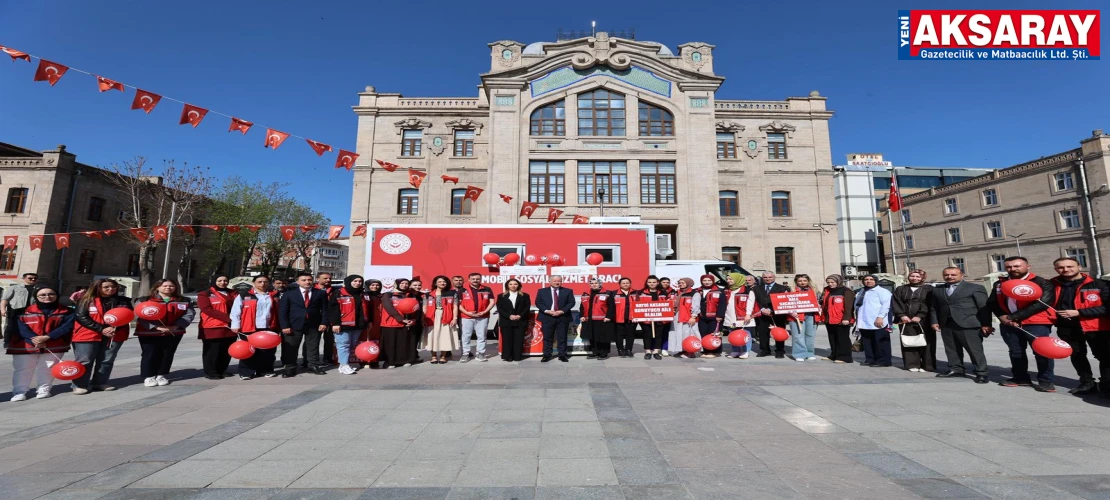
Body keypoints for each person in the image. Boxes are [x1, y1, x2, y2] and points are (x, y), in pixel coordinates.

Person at [989, 257, 1056, 391]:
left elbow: (1043, 303)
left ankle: (1046, 381)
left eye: (1016, 266)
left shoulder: (1041, 282)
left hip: (1036, 322)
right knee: (1016, 351)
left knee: (1042, 351)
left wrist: (1014, 317)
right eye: (1009, 267)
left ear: (1028, 266)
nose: (1013, 269)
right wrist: (1002, 317)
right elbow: (993, 302)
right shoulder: (1000, 283)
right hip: (1009, 323)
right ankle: (1020, 378)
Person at [1050, 257, 1110, 396]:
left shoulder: (1100, 284)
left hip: (1097, 327)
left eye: (1070, 266)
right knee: (1077, 355)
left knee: (1105, 356)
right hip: (1067, 326)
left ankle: (1106, 383)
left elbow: (1107, 308)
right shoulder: (1051, 285)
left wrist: (1079, 312)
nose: (1065, 269)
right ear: (1056, 269)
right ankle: (1087, 382)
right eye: (1061, 267)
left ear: (1080, 267)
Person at [9, 286, 74, 400]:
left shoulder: (67, 312)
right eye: (43, 295)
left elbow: (66, 327)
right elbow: (19, 328)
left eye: (51, 294)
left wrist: (48, 337)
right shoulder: (22, 312)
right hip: (26, 346)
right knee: (23, 369)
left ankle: (44, 389)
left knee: (48, 368)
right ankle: (19, 391)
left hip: (54, 345)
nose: (47, 297)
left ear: (57, 296)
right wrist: (34, 339)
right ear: (36, 297)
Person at [929, 267, 993, 383]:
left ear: (962, 275)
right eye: (946, 275)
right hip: (947, 324)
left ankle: (981, 373)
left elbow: (984, 308)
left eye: (953, 274)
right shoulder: (938, 289)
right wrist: (934, 321)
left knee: (974, 350)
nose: (949, 277)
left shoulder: (975, 288)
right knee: (951, 349)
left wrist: (986, 324)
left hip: (968, 323)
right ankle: (956, 369)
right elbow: (934, 307)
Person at [72, 279, 132, 393]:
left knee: (106, 360)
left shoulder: (123, 301)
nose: (111, 289)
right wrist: (102, 329)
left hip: (114, 334)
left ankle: (100, 383)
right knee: (85, 360)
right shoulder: (86, 300)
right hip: (88, 334)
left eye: (113, 287)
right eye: (106, 287)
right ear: (97, 288)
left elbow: (127, 316)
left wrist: (114, 328)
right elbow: (81, 316)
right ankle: (79, 385)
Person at [134, 279, 195, 387]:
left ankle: (161, 375)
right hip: (149, 333)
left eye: (171, 286)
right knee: (149, 354)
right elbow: (139, 315)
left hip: (173, 332)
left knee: (167, 353)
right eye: (165, 285)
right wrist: (155, 327)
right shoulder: (144, 300)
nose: (168, 287)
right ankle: (149, 376)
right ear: (157, 287)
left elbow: (189, 314)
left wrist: (176, 326)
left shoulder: (184, 300)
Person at [279, 272, 329, 376]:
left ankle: (313, 366)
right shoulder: (289, 294)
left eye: (309, 280)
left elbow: (325, 309)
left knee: (313, 346)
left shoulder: (320, 293)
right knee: (291, 347)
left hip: (314, 324)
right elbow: (283, 311)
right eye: (304, 280)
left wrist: (324, 322)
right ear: (298, 282)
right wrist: (285, 326)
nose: (307, 282)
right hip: (293, 325)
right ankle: (290, 368)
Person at [231, 275, 279, 380]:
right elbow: (236, 311)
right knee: (248, 350)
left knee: (268, 351)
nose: (263, 284)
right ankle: (246, 372)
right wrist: (235, 324)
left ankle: (266, 370)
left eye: (265, 281)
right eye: (260, 281)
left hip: (268, 327)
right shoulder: (244, 295)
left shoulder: (274, 295)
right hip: (249, 327)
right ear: (254, 283)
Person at [328, 274, 373, 374]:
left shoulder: (364, 294)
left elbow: (368, 309)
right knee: (343, 345)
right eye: (355, 281)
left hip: (358, 324)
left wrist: (369, 321)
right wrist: (335, 323)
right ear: (349, 282)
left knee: (352, 345)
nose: (357, 283)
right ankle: (343, 365)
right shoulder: (338, 293)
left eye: (360, 281)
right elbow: (332, 309)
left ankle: (346, 363)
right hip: (343, 324)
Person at [892, 270, 935, 373]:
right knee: (909, 341)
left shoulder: (929, 289)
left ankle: (927, 365)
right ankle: (912, 364)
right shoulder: (901, 289)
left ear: (923, 278)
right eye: (912, 276)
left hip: (924, 319)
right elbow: (896, 302)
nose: (915, 278)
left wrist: (920, 315)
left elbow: (930, 303)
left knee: (927, 342)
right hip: (906, 319)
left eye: (918, 276)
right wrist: (902, 315)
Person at [196, 276, 237, 380]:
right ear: (214, 281)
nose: (223, 282)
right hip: (213, 326)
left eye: (225, 280)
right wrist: (228, 318)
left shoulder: (234, 293)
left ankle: (222, 370)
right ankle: (211, 372)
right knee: (212, 351)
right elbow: (206, 309)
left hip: (230, 326)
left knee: (226, 350)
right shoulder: (205, 294)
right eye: (219, 280)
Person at [854, 274, 893, 368]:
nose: (868, 281)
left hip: (879, 320)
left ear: (876, 281)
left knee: (880, 342)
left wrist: (880, 317)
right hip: (865, 320)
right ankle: (870, 359)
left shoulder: (882, 291)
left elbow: (886, 305)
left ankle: (883, 361)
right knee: (867, 342)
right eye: (866, 279)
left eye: (871, 279)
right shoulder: (861, 291)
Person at [379, 278, 417, 368]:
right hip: (391, 323)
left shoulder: (410, 295)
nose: (404, 285)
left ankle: (405, 360)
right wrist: (400, 319)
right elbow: (389, 308)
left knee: (404, 343)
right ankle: (390, 362)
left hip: (406, 323)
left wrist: (413, 320)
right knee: (390, 344)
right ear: (397, 284)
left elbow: (415, 308)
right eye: (402, 283)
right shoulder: (388, 295)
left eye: (406, 283)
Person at [536, 275, 574, 362]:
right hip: (547, 317)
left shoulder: (568, 291)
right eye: (555, 281)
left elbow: (571, 302)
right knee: (547, 337)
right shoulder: (542, 291)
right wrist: (547, 311)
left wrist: (562, 311)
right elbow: (538, 302)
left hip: (562, 317)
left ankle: (562, 355)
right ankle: (547, 355)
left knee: (562, 337)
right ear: (550, 282)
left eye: (559, 281)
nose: (557, 282)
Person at [457, 273, 494, 362]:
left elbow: (492, 302)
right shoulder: (462, 290)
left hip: (483, 316)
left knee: (482, 336)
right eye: (473, 279)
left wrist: (485, 311)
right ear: (469, 280)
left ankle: (480, 354)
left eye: (477, 279)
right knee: (466, 336)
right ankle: (465, 354)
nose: (475, 280)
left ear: (480, 279)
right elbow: (458, 304)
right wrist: (468, 313)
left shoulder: (487, 289)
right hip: (467, 317)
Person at [423, 276, 460, 364]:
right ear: (435, 283)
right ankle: (433, 356)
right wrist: (422, 319)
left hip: (447, 316)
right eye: (439, 282)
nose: (442, 283)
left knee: (445, 335)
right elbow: (424, 307)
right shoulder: (428, 294)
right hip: (432, 316)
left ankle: (443, 356)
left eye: (444, 282)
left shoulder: (452, 293)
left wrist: (454, 318)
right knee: (433, 335)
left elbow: (455, 306)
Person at [820, 275, 855, 363]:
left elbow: (849, 306)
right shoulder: (827, 290)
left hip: (841, 319)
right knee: (832, 338)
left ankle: (844, 357)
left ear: (838, 282)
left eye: (832, 282)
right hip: (829, 318)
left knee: (842, 338)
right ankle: (834, 354)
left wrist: (846, 318)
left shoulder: (846, 291)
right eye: (828, 282)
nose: (830, 284)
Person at [754, 271, 789, 358]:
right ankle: (764, 350)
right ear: (762, 278)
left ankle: (780, 351)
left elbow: (783, 301)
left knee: (779, 333)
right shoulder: (757, 288)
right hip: (762, 314)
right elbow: (755, 301)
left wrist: (771, 310)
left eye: (770, 277)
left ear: (774, 277)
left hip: (777, 315)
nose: (768, 279)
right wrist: (762, 309)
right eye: (765, 277)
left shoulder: (782, 288)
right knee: (763, 333)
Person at [636, 276, 671, 360]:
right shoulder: (641, 292)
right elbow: (637, 304)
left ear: (657, 283)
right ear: (647, 283)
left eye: (654, 282)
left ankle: (656, 351)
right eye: (650, 282)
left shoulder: (663, 292)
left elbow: (668, 304)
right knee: (647, 335)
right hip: (645, 319)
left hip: (660, 318)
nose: (652, 284)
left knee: (659, 335)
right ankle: (648, 351)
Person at [786, 274, 819, 362]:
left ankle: (809, 353)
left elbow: (819, 302)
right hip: (796, 316)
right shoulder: (791, 290)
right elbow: (785, 303)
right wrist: (791, 311)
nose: (802, 282)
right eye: (800, 281)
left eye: (804, 281)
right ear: (796, 282)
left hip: (811, 315)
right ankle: (799, 354)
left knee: (810, 335)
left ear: (808, 281)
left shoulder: (813, 291)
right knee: (798, 335)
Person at [496, 278, 531, 362]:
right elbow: (500, 308)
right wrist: (509, 316)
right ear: (507, 286)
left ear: (518, 285)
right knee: (507, 339)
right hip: (506, 321)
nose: (513, 286)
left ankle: (517, 356)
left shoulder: (525, 295)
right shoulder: (501, 296)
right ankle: (507, 356)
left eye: (515, 284)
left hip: (520, 321)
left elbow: (527, 307)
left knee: (518, 339)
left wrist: (520, 315)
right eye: (510, 284)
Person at [581, 278, 616, 359]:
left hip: (602, 319)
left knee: (603, 337)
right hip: (589, 319)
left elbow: (611, 307)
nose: (594, 285)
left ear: (600, 284)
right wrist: (581, 315)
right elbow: (582, 306)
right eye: (592, 283)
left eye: (596, 283)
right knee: (592, 336)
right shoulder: (585, 293)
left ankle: (604, 353)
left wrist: (608, 317)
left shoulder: (607, 293)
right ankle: (595, 352)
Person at [723, 273, 756, 359]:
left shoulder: (747, 290)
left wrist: (748, 314)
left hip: (743, 317)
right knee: (733, 333)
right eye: (728, 279)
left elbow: (750, 304)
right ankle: (735, 350)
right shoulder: (727, 290)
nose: (728, 281)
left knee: (745, 334)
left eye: (731, 279)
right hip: (731, 316)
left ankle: (745, 351)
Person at [307, 272, 336, 367]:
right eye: (325, 278)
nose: (328, 280)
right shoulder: (311, 290)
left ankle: (327, 358)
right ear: (318, 279)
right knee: (312, 341)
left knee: (329, 340)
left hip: (330, 318)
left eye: (329, 278)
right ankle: (307, 360)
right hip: (315, 319)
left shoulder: (335, 290)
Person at [696, 274, 727, 358]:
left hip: (715, 317)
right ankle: (706, 351)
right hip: (702, 317)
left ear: (713, 281)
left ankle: (715, 351)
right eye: (704, 280)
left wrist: (720, 315)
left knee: (715, 334)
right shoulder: (698, 290)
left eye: (709, 280)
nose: (707, 282)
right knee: (704, 334)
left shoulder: (719, 291)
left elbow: (722, 304)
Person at [611, 278, 636, 358]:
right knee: (619, 335)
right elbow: (611, 306)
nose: (625, 284)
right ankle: (620, 350)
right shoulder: (614, 293)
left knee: (630, 335)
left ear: (630, 283)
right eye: (623, 283)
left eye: (627, 283)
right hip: (618, 318)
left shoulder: (635, 293)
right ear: (620, 284)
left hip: (632, 318)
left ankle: (629, 350)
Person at [362, 279, 384, 369]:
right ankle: (365, 360)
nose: (375, 287)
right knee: (366, 340)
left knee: (376, 341)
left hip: (379, 322)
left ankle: (375, 360)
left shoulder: (381, 296)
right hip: (369, 322)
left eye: (377, 285)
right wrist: (368, 321)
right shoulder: (365, 295)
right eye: (372, 285)